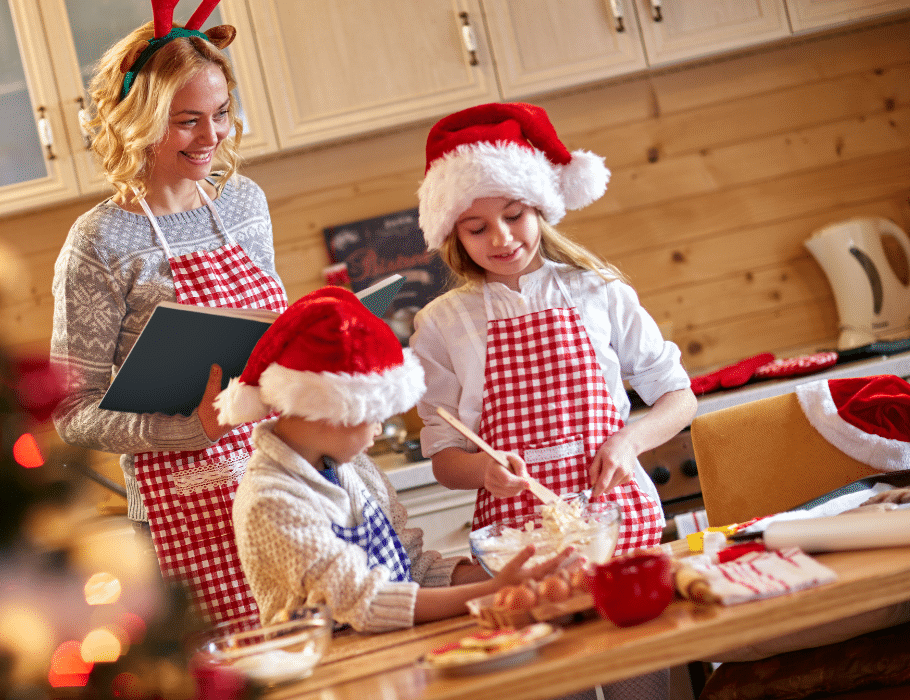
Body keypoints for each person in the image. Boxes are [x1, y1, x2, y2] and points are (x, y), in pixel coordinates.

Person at [411, 103, 697, 698]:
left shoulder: (599, 291)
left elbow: (677, 396)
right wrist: (484, 472)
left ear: (539, 206)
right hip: (519, 549)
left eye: (514, 215)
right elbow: (441, 455)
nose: (502, 238)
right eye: (476, 227)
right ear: (453, 235)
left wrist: (629, 440)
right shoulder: (443, 324)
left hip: (618, 527)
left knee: (640, 684)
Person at [49, 0, 285, 628]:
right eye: (187, 122)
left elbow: (272, 337)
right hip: (188, 520)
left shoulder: (243, 204)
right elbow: (71, 412)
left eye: (221, 115)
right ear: (138, 122)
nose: (211, 138)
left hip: (286, 492)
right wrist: (189, 429)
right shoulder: (98, 242)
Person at [217, 286, 574, 633]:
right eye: (376, 416)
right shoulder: (271, 500)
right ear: (333, 408)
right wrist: (492, 590)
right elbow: (366, 603)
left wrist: (505, 571)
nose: (377, 431)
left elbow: (412, 568)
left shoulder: (353, 467)